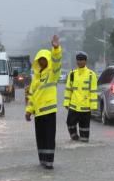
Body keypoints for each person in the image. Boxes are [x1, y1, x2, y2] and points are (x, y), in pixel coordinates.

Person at [25, 35, 62, 169]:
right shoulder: (35, 78)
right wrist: (28, 111)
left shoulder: (53, 74)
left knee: (49, 138)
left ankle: (49, 162)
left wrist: (56, 48)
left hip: (49, 111)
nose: (42, 62)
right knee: (40, 138)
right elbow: (31, 96)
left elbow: (57, 61)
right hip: (38, 113)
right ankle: (42, 161)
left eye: (44, 60)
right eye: (39, 60)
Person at [63, 51, 97, 142]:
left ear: (85, 61)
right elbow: (68, 90)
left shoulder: (91, 75)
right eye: (78, 60)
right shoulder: (72, 74)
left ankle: (84, 143)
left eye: (81, 60)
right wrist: (66, 103)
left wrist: (93, 106)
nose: (79, 62)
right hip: (73, 106)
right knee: (69, 123)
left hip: (85, 108)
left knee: (84, 129)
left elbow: (93, 91)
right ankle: (74, 138)